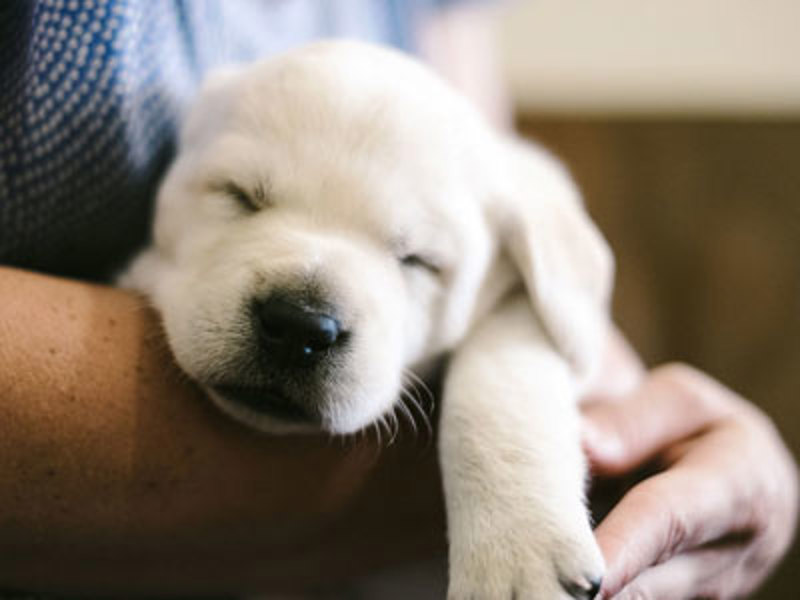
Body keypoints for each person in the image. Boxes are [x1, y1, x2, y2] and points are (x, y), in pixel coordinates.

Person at [0, 1, 796, 597]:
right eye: (242, 195)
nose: (304, 315)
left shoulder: (495, 184)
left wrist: (547, 430)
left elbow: (552, 325)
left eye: (414, 258)